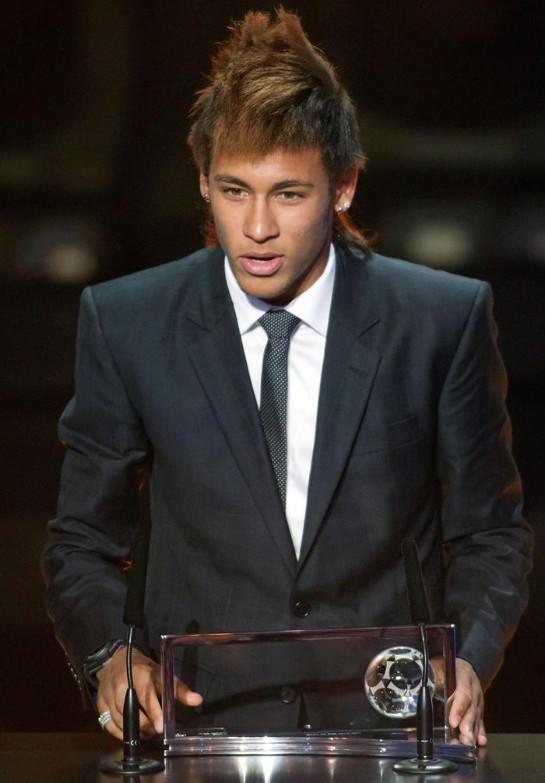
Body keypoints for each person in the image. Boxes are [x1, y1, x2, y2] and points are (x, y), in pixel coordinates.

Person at [42, 9, 531, 747]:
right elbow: (80, 539)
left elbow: (490, 533)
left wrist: (466, 659)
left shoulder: (438, 321)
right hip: (201, 728)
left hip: (390, 732)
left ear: (343, 186)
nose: (257, 227)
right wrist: (112, 655)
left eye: (289, 194)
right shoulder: (128, 322)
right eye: (233, 190)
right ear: (202, 182)